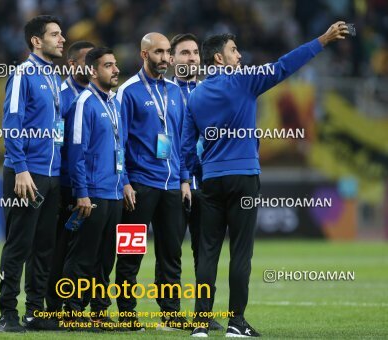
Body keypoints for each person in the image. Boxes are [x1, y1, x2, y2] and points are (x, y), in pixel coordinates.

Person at [183, 22, 351, 338]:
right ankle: (236, 322)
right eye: (234, 50)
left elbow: (186, 145)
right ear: (219, 58)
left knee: (207, 252)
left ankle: (201, 323)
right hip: (244, 176)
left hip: (210, 180)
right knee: (241, 252)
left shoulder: (195, 95)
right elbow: (285, 65)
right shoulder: (244, 82)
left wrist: (194, 176)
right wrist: (322, 40)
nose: (240, 55)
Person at [115, 32, 192, 331]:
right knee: (130, 254)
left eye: (167, 52)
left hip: (172, 187)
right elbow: (117, 142)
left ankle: (171, 315)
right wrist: (124, 181)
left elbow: (182, 143)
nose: (165, 58)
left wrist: (185, 179)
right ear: (144, 54)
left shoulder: (175, 92)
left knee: (171, 255)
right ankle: (126, 314)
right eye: (158, 52)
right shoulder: (128, 91)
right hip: (141, 187)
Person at [0, 15, 65, 333]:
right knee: (19, 244)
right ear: (36, 41)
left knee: (45, 246)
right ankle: (7, 313)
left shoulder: (54, 77)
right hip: (27, 174)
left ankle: (35, 312)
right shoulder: (24, 73)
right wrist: (21, 168)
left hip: (51, 175)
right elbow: (12, 122)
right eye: (55, 34)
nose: (62, 39)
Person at [63, 47, 124, 330]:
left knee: (105, 259)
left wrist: (124, 184)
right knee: (83, 256)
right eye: (108, 65)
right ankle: (72, 311)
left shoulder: (113, 102)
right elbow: (77, 151)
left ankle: (99, 311)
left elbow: (119, 149)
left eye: (115, 65)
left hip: (113, 192)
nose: (115, 70)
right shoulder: (83, 103)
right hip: (93, 193)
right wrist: (82, 192)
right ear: (92, 70)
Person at [169, 33, 223, 332]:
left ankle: (204, 313)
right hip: (168, 185)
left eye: (194, 53)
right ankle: (171, 312)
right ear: (172, 59)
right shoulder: (162, 93)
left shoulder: (209, 92)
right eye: (185, 53)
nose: (191, 58)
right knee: (169, 251)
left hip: (205, 186)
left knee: (206, 252)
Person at [45, 40, 95, 314]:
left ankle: (79, 305)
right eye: (89, 59)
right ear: (72, 64)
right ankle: (52, 307)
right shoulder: (60, 96)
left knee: (89, 251)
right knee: (60, 248)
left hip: (95, 186)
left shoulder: (101, 97)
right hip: (66, 186)